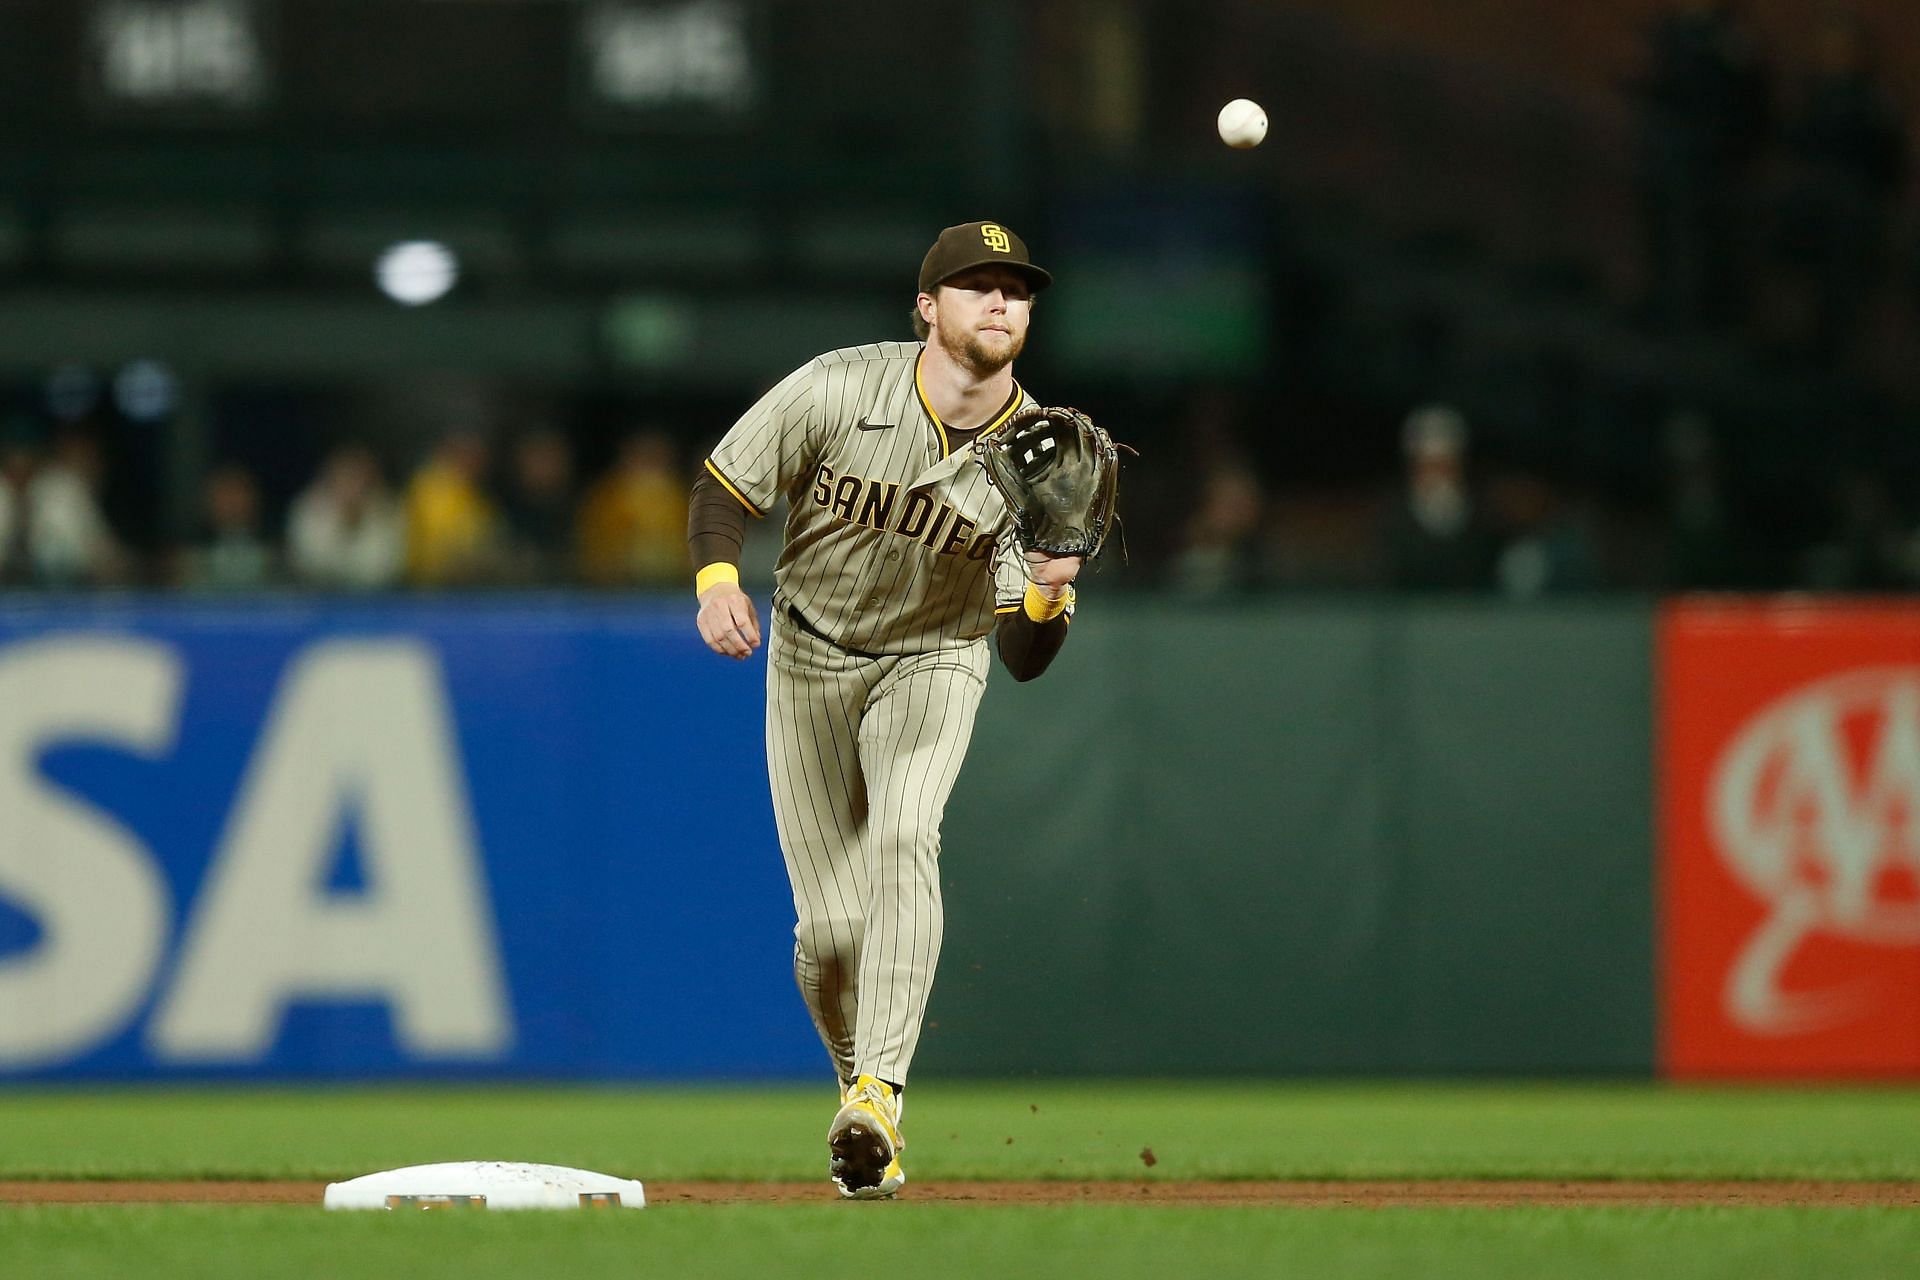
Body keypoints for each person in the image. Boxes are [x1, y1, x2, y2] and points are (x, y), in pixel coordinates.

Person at [687, 221, 1081, 1200]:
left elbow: (1023, 657)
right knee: (826, 935)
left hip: (934, 655)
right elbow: (723, 483)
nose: (1000, 301)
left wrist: (1045, 594)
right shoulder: (841, 386)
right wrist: (712, 581)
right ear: (926, 307)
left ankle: (877, 1091)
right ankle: (861, 1110)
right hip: (810, 653)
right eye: (977, 284)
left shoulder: (1039, 455)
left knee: (906, 831)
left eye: (1017, 289)